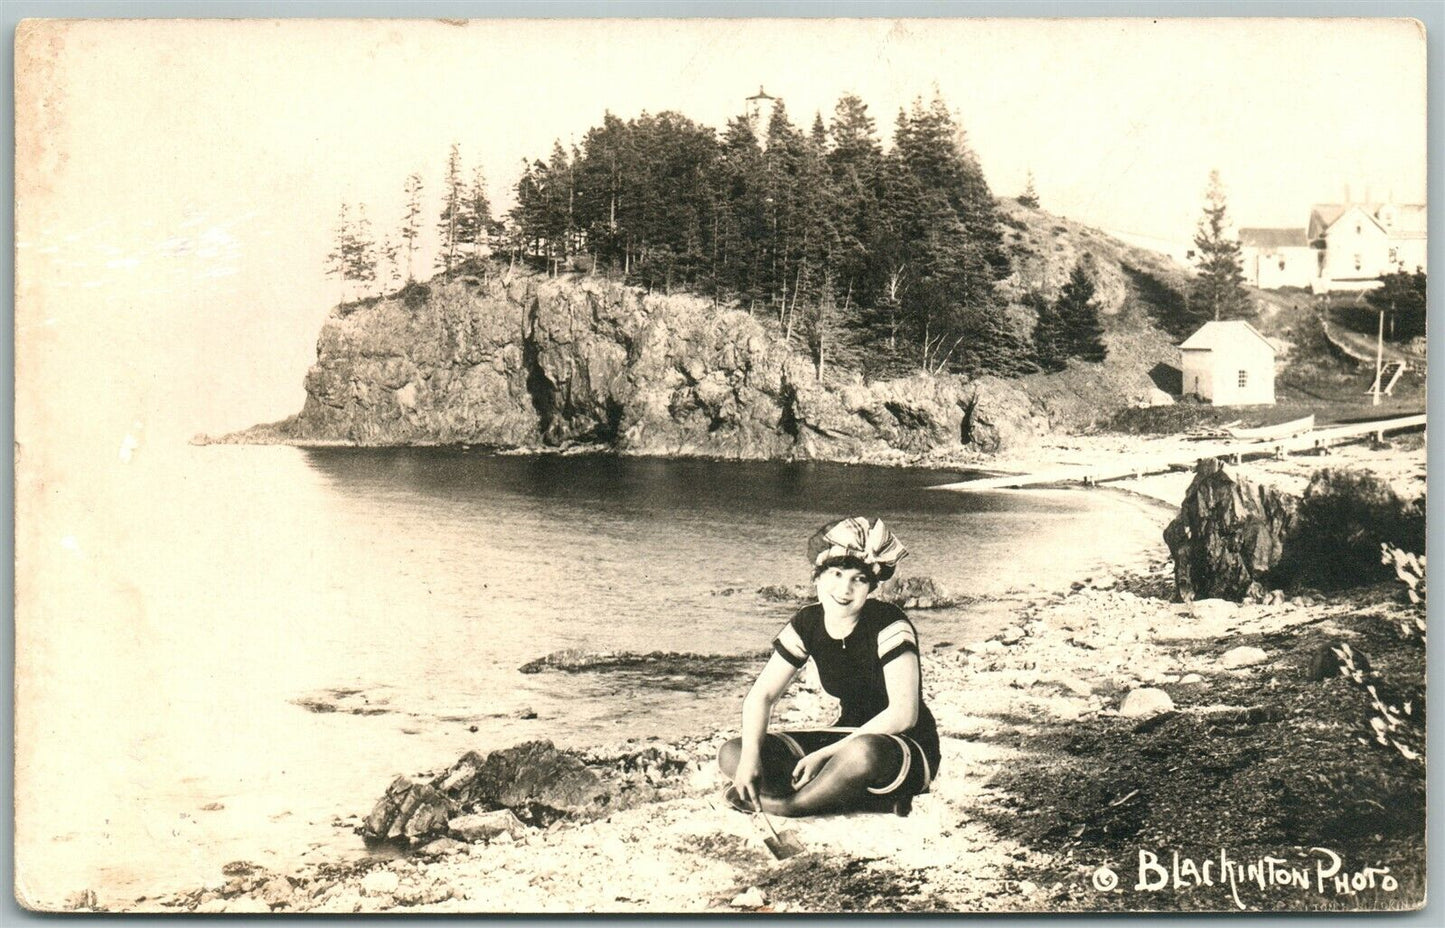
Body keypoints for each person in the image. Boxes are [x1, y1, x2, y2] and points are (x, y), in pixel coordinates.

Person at [718, 517, 941, 817]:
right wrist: (748, 761)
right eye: (836, 574)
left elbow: (903, 715)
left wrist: (824, 755)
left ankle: (789, 806)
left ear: (871, 586)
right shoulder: (807, 622)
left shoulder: (890, 623)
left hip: (898, 745)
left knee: (862, 753)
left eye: (858, 579)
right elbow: (762, 696)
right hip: (841, 736)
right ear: (818, 578)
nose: (844, 589)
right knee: (733, 751)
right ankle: (843, 794)